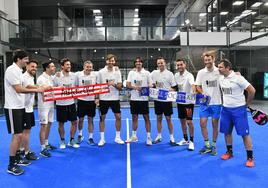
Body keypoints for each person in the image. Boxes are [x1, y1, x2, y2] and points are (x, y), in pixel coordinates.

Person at [4, 49, 44, 175]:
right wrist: (37, 90)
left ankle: (17, 158)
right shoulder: (11, 70)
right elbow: (18, 89)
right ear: (19, 59)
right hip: (13, 107)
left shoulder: (19, 71)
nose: (27, 61)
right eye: (26, 59)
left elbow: (25, 86)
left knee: (20, 135)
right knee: (17, 135)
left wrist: (37, 88)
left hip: (20, 107)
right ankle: (11, 165)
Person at [218, 59, 255, 167]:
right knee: (227, 132)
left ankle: (250, 157)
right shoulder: (221, 78)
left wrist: (246, 104)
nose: (218, 69)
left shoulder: (238, 78)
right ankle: (229, 152)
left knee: (244, 134)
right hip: (225, 110)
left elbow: (252, 90)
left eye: (220, 67)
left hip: (239, 110)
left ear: (227, 68)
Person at [195, 51, 222, 155]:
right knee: (202, 124)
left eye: (209, 59)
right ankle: (207, 146)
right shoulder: (201, 72)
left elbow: (229, 75)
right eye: (205, 60)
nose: (207, 62)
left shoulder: (219, 71)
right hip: (204, 103)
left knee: (215, 125)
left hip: (216, 102)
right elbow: (197, 86)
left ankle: (214, 146)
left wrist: (236, 73)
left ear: (213, 59)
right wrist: (202, 93)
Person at [97, 54, 124, 146]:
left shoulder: (117, 71)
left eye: (113, 61)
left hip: (115, 98)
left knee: (118, 117)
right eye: (109, 60)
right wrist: (106, 85)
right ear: (106, 61)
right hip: (103, 99)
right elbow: (97, 86)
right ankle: (102, 139)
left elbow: (120, 87)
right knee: (102, 118)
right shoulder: (100, 72)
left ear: (114, 62)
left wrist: (114, 85)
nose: (111, 62)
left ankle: (117, 137)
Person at [125, 57, 153, 145]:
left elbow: (151, 84)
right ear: (135, 64)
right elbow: (128, 84)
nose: (138, 63)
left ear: (142, 63)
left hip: (144, 99)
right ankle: (134, 136)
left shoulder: (147, 73)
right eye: (136, 62)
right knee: (134, 117)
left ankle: (149, 137)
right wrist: (135, 87)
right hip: (134, 99)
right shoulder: (131, 73)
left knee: (146, 118)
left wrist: (145, 88)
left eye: (140, 62)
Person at [150, 57, 177, 145]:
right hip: (157, 100)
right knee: (159, 118)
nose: (160, 64)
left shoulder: (170, 74)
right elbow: (151, 84)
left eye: (162, 63)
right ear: (157, 64)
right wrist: (150, 86)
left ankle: (172, 138)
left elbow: (175, 87)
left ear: (165, 63)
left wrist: (171, 90)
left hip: (167, 100)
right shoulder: (154, 73)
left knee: (168, 119)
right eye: (158, 63)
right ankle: (159, 136)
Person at [53, 58, 80, 149]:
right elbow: (52, 89)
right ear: (62, 66)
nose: (69, 66)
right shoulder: (56, 76)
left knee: (74, 122)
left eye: (69, 65)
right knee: (61, 123)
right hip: (60, 104)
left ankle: (72, 140)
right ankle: (62, 140)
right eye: (67, 65)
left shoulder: (74, 76)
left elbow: (76, 87)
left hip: (71, 103)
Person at [19, 59, 40, 161]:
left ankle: (22, 149)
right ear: (26, 66)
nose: (34, 69)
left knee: (26, 131)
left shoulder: (31, 77)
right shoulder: (24, 77)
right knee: (26, 132)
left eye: (35, 67)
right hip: (24, 108)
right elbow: (28, 86)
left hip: (29, 108)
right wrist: (41, 87)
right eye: (32, 66)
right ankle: (26, 152)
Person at [174, 59, 196, 151]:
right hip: (180, 102)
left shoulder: (189, 75)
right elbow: (175, 87)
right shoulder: (176, 75)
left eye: (181, 65)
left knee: (189, 122)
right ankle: (185, 139)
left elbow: (193, 84)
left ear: (185, 65)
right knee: (182, 121)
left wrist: (194, 90)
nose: (179, 66)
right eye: (178, 65)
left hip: (188, 103)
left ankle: (191, 141)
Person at [75, 60, 98, 145]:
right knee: (80, 120)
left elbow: (97, 87)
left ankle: (90, 137)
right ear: (84, 67)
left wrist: (116, 68)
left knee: (90, 120)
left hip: (91, 101)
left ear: (92, 68)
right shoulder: (78, 75)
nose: (89, 68)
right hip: (81, 100)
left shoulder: (95, 75)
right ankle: (80, 135)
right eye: (87, 67)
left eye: (90, 67)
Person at [37, 61, 57, 157]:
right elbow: (43, 91)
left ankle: (46, 143)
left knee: (49, 124)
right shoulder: (41, 78)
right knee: (43, 126)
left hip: (51, 104)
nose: (54, 68)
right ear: (47, 68)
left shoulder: (51, 77)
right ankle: (42, 148)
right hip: (43, 106)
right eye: (52, 67)